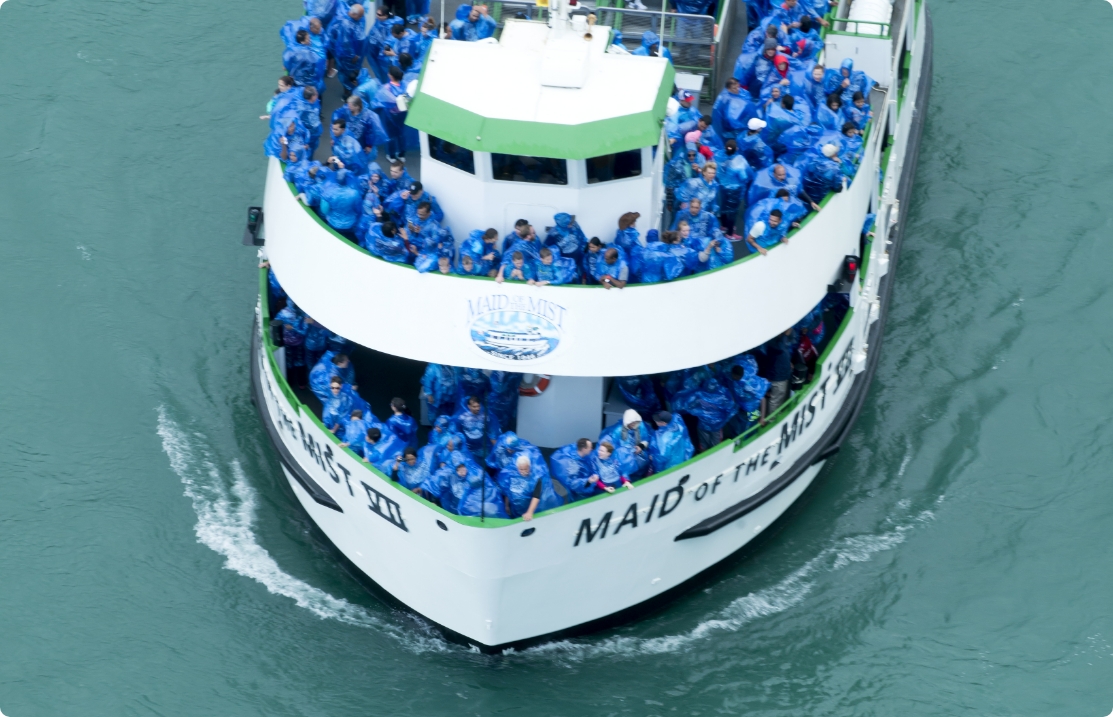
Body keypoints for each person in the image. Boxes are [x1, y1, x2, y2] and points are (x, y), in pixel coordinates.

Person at [672, 375, 736, 451]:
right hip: (716, 425)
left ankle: (704, 452)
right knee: (716, 442)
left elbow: (689, 406)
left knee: (703, 441)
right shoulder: (722, 395)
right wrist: (723, 419)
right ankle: (716, 454)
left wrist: (698, 412)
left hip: (703, 424)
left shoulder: (699, 395)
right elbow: (730, 408)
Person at [497, 454, 562, 520]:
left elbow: (536, 496)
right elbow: (507, 492)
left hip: (529, 507)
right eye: (521, 469)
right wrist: (506, 505)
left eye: (525, 469)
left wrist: (529, 512)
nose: (523, 472)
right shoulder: (512, 476)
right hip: (516, 509)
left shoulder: (535, 478)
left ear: (529, 467)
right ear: (517, 468)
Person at [326, 2, 368, 93]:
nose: (361, 18)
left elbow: (330, 34)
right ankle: (348, 93)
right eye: (360, 16)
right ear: (355, 14)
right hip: (348, 58)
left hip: (345, 56)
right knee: (348, 75)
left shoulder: (341, 18)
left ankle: (349, 90)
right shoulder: (347, 26)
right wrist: (353, 56)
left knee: (348, 74)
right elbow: (345, 45)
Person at [599, 409, 651, 478]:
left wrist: (641, 446)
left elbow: (646, 439)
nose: (633, 425)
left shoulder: (640, 426)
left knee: (641, 469)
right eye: (632, 423)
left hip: (639, 456)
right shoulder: (618, 431)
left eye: (635, 423)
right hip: (625, 459)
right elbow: (614, 448)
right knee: (627, 473)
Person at [317, 164, 363, 236]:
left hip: (333, 223)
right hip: (349, 224)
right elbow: (358, 210)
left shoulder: (329, 192)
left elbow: (324, 210)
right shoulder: (354, 193)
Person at [374, 66, 409, 162]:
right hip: (403, 114)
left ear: (391, 76)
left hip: (391, 116)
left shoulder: (386, 88)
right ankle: (402, 154)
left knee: (391, 135)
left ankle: (392, 155)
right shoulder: (405, 85)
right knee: (401, 133)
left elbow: (378, 100)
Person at [728, 355, 770, 434]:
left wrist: (762, 418)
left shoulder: (749, 385)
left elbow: (762, 399)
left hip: (752, 410)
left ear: (737, 376)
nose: (731, 376)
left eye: (733, 375)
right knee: (739, 426)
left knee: (750, 429)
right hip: (740, 407)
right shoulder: (737, 376)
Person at [454, 395, 500, 460]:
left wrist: (497, 449)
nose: (477, 408)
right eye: (474, 407)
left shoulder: (485, 416)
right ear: (469, 406)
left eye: (478, 406)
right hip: (466, 449)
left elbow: (493, 434)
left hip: (482, 449)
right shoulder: (461, 417)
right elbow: (456, 433)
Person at [283, 29, 327, 95]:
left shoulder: (291, 50)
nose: (310, 40)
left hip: (295, 79)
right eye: (308, 39)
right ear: (302, 42)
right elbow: (313, 68)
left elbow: (286, 64)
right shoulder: (308, 54)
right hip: (305, 80)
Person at [763, 329, 795, 413]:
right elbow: (780, 349)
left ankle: (777, 413)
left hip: (784, 373)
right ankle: (772, 420)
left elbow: (792, 338)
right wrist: (785, 335)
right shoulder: (773, 343)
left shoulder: (782, 339)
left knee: (780, 396)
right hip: (778, 376)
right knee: (775, 400)